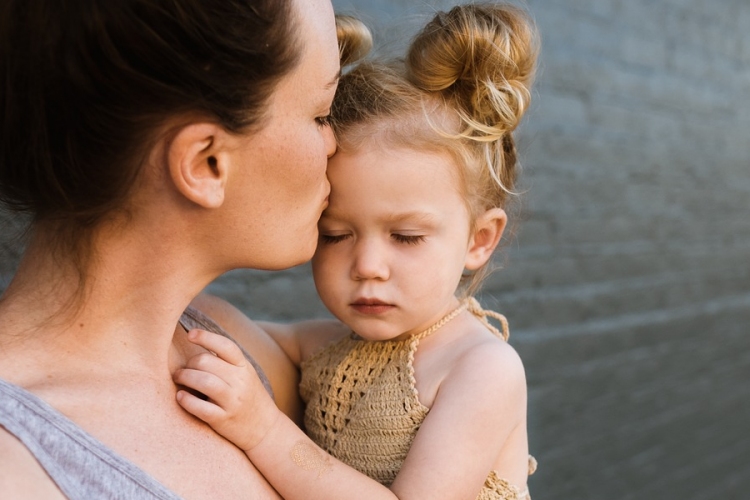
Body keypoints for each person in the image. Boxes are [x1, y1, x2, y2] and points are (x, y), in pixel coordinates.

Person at [173, 3, 540, 499]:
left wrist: (263, 430)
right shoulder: (326, 347)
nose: (367, 266)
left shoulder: (480, 367)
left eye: (406, 237)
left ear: (479, 239)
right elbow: (231, 331)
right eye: (335, 234)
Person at [0, 0, 345, 498]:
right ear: (206, 163)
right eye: (322, 114)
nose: (335, 144)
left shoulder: (228, 345)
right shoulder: (17, 470)